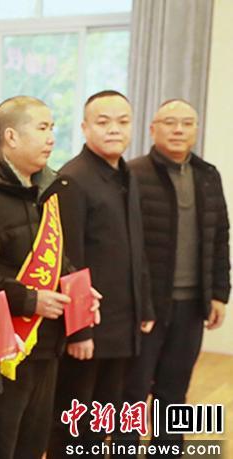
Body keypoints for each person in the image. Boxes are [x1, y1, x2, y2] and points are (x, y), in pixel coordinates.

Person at [0, 96, 99, 459]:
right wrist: (29, 300)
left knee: (33, 440)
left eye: (52, 128)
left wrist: (79, 289)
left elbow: (56, 257)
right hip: (7, 344)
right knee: (0, 443)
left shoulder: (48, 189)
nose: (51, 138)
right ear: (11, 137)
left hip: (48, 341)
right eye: (42, 128)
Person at [118, 99, 229, 455]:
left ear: (196, 129)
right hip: (147, 307)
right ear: (153, 129)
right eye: (170, 122)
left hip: (192, 305)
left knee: (175, 390)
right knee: (132, 391)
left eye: (187, 123)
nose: (178, 129)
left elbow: (220, 236)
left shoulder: (208, 175)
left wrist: (219, 293)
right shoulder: (132, 174)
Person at [48, 90, 155, 457]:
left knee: (104, 418)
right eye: (103, 122)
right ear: (84, 127)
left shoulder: (126, 174)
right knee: (74, 423)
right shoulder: (73, 179)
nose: (114, 129)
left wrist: (145, 306)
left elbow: (136, 247)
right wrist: (79, 329)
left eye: (122, 122)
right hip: (89, 329)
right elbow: (68, 261)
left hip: (123, 321)